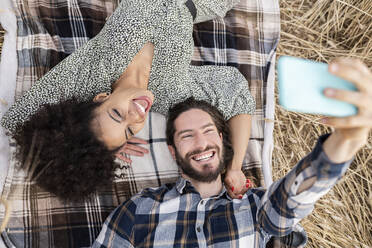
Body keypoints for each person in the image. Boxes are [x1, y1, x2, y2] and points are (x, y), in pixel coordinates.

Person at [91, 58, 372, 247]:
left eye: (208, 131)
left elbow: (295, 196)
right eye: (187, 136)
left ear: (223, 141)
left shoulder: (255, 207)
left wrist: (348, 140)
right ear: (173, 152)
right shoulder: (140, 209)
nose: (201, 143)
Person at [0, 0, 255, 201]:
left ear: (100, 98)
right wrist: (234, 167)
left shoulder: (90, 71)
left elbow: (16, 120)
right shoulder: (171, 93)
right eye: (130, 130)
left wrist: (98, 146)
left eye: (116, 115)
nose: (136, 115)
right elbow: (235, 91)